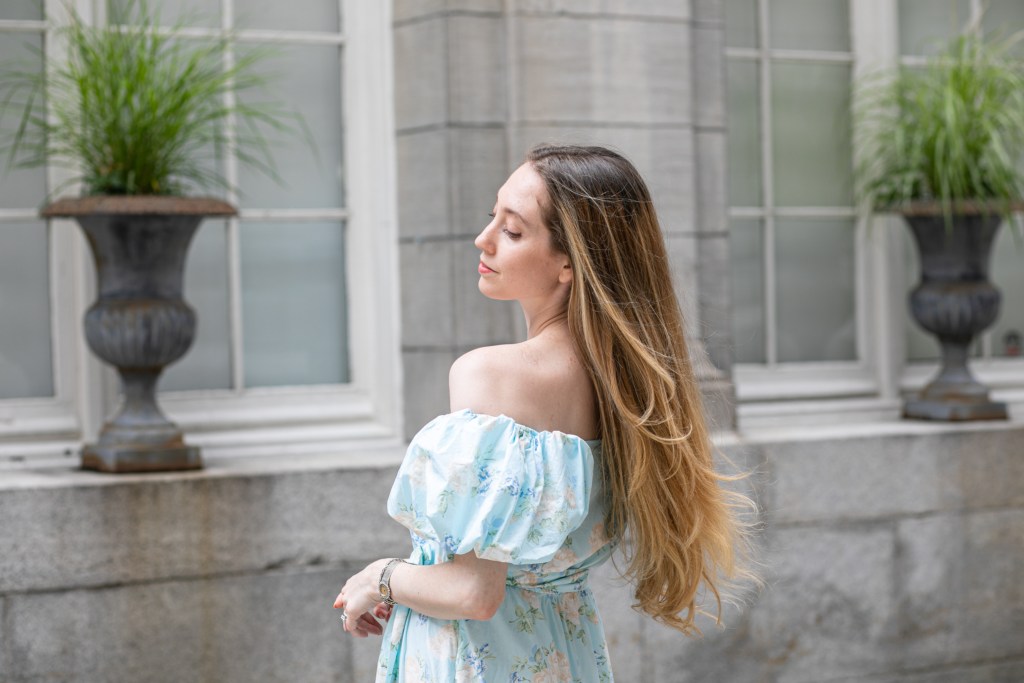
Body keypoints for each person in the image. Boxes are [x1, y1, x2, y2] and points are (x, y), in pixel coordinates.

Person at [334, 144, 752, 682]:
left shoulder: (491, 376)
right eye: (492, 217)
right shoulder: (627, 392)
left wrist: (379, 577)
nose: (483, 239)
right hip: (564, 656)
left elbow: (473, 592)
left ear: (570, 263)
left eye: (512, 231)